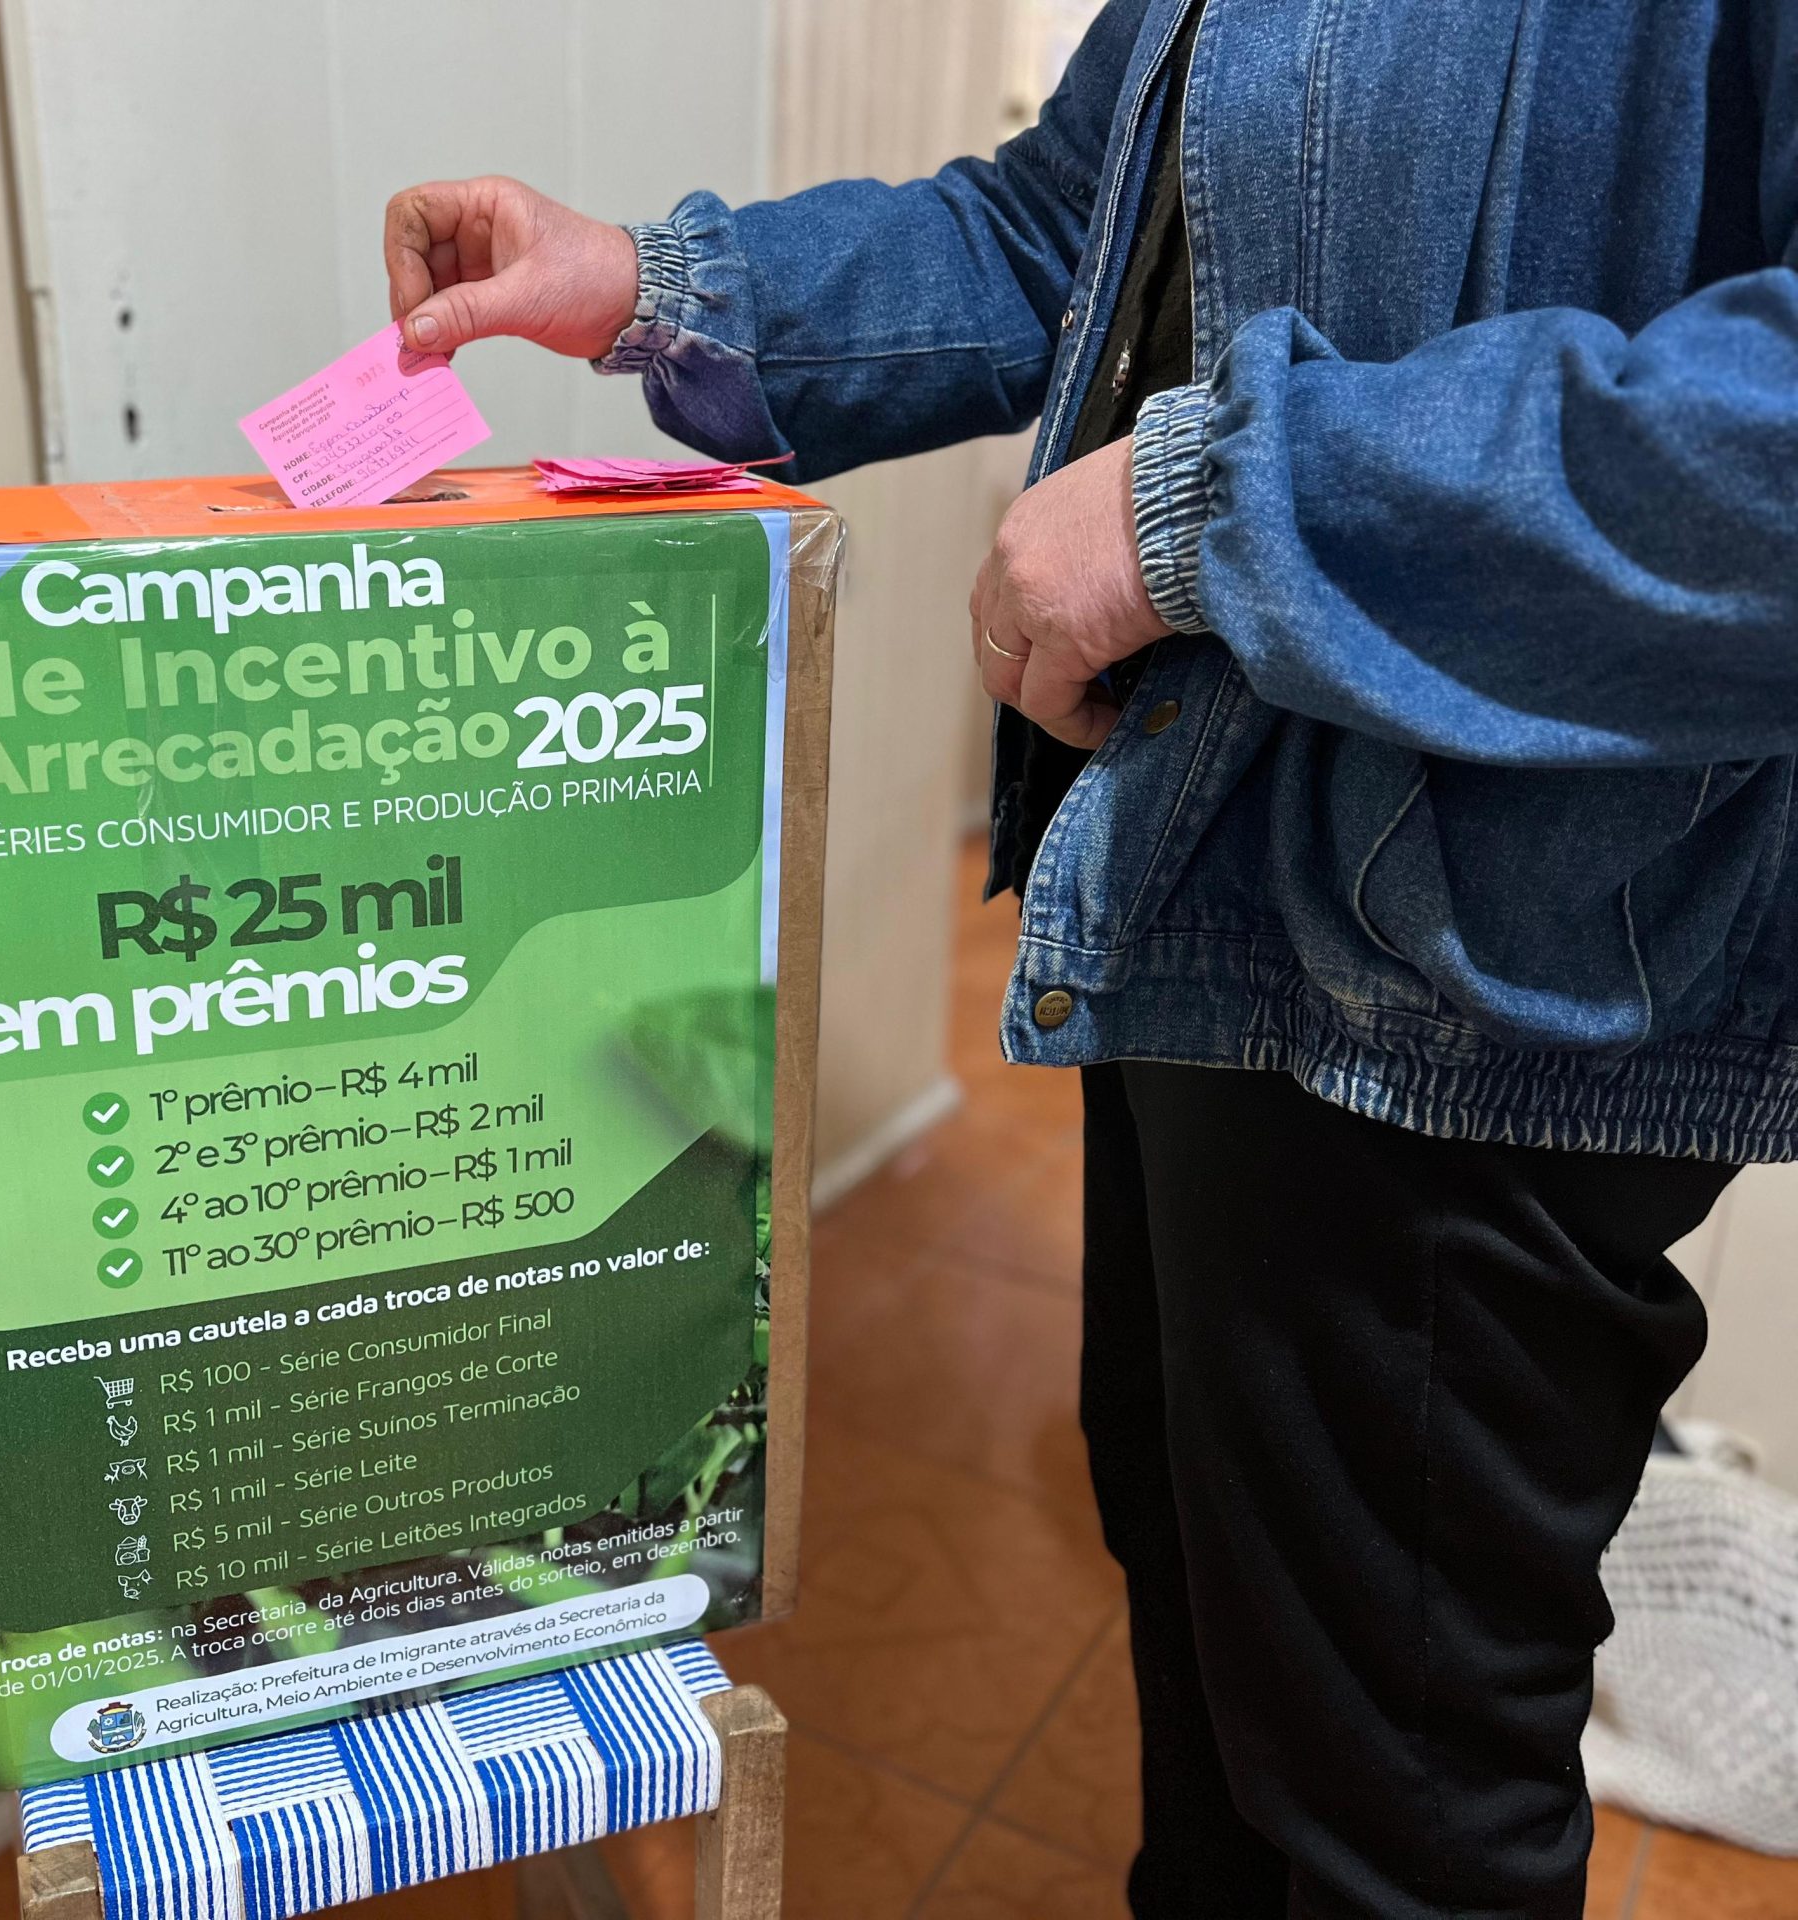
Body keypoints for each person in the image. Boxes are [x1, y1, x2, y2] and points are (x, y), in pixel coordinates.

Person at [379, 4, 1798, 1916]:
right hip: (1197, 899)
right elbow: (1075, 225)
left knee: (1398, 1802)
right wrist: (652, 289)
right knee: (1213, 1629)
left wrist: (1203, 512)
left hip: (1469, 985)